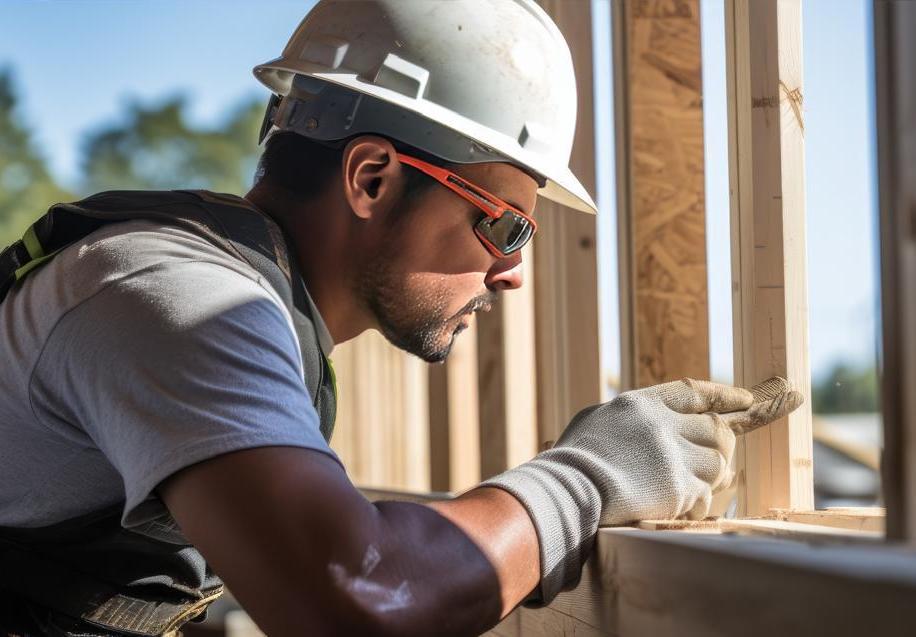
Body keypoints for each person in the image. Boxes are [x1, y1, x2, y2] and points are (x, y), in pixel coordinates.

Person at [0, 1, 802, 635]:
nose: (512, 271)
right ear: (374, 177)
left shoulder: (238, 301)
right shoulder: (183, 300)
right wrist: (589, 477)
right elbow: (357, 597)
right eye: (505, 223)